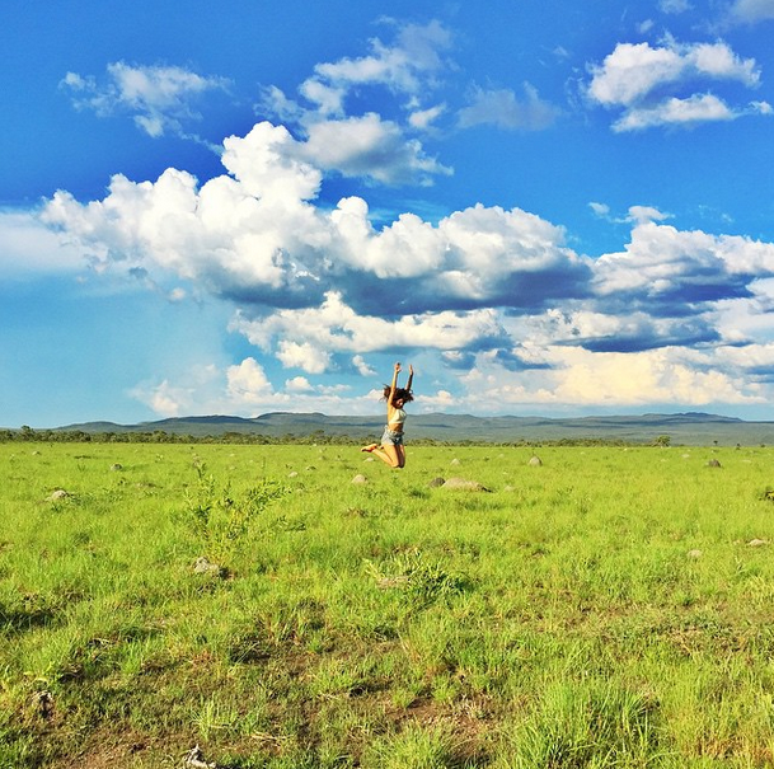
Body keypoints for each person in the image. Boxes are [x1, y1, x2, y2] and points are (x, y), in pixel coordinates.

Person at [361, 362, 414, 468]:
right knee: (395, 464)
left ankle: (379, 448)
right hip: (389, 436)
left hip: (399, 437)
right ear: (394, 399)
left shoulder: (401, 408)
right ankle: (373, 450)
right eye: (399, 401)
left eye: (402, 401)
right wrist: (396, 373)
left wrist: (411, 375)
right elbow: (393, 390)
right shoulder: (391, 407)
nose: (401, 403)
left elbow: (407, 391)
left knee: (402, 465)